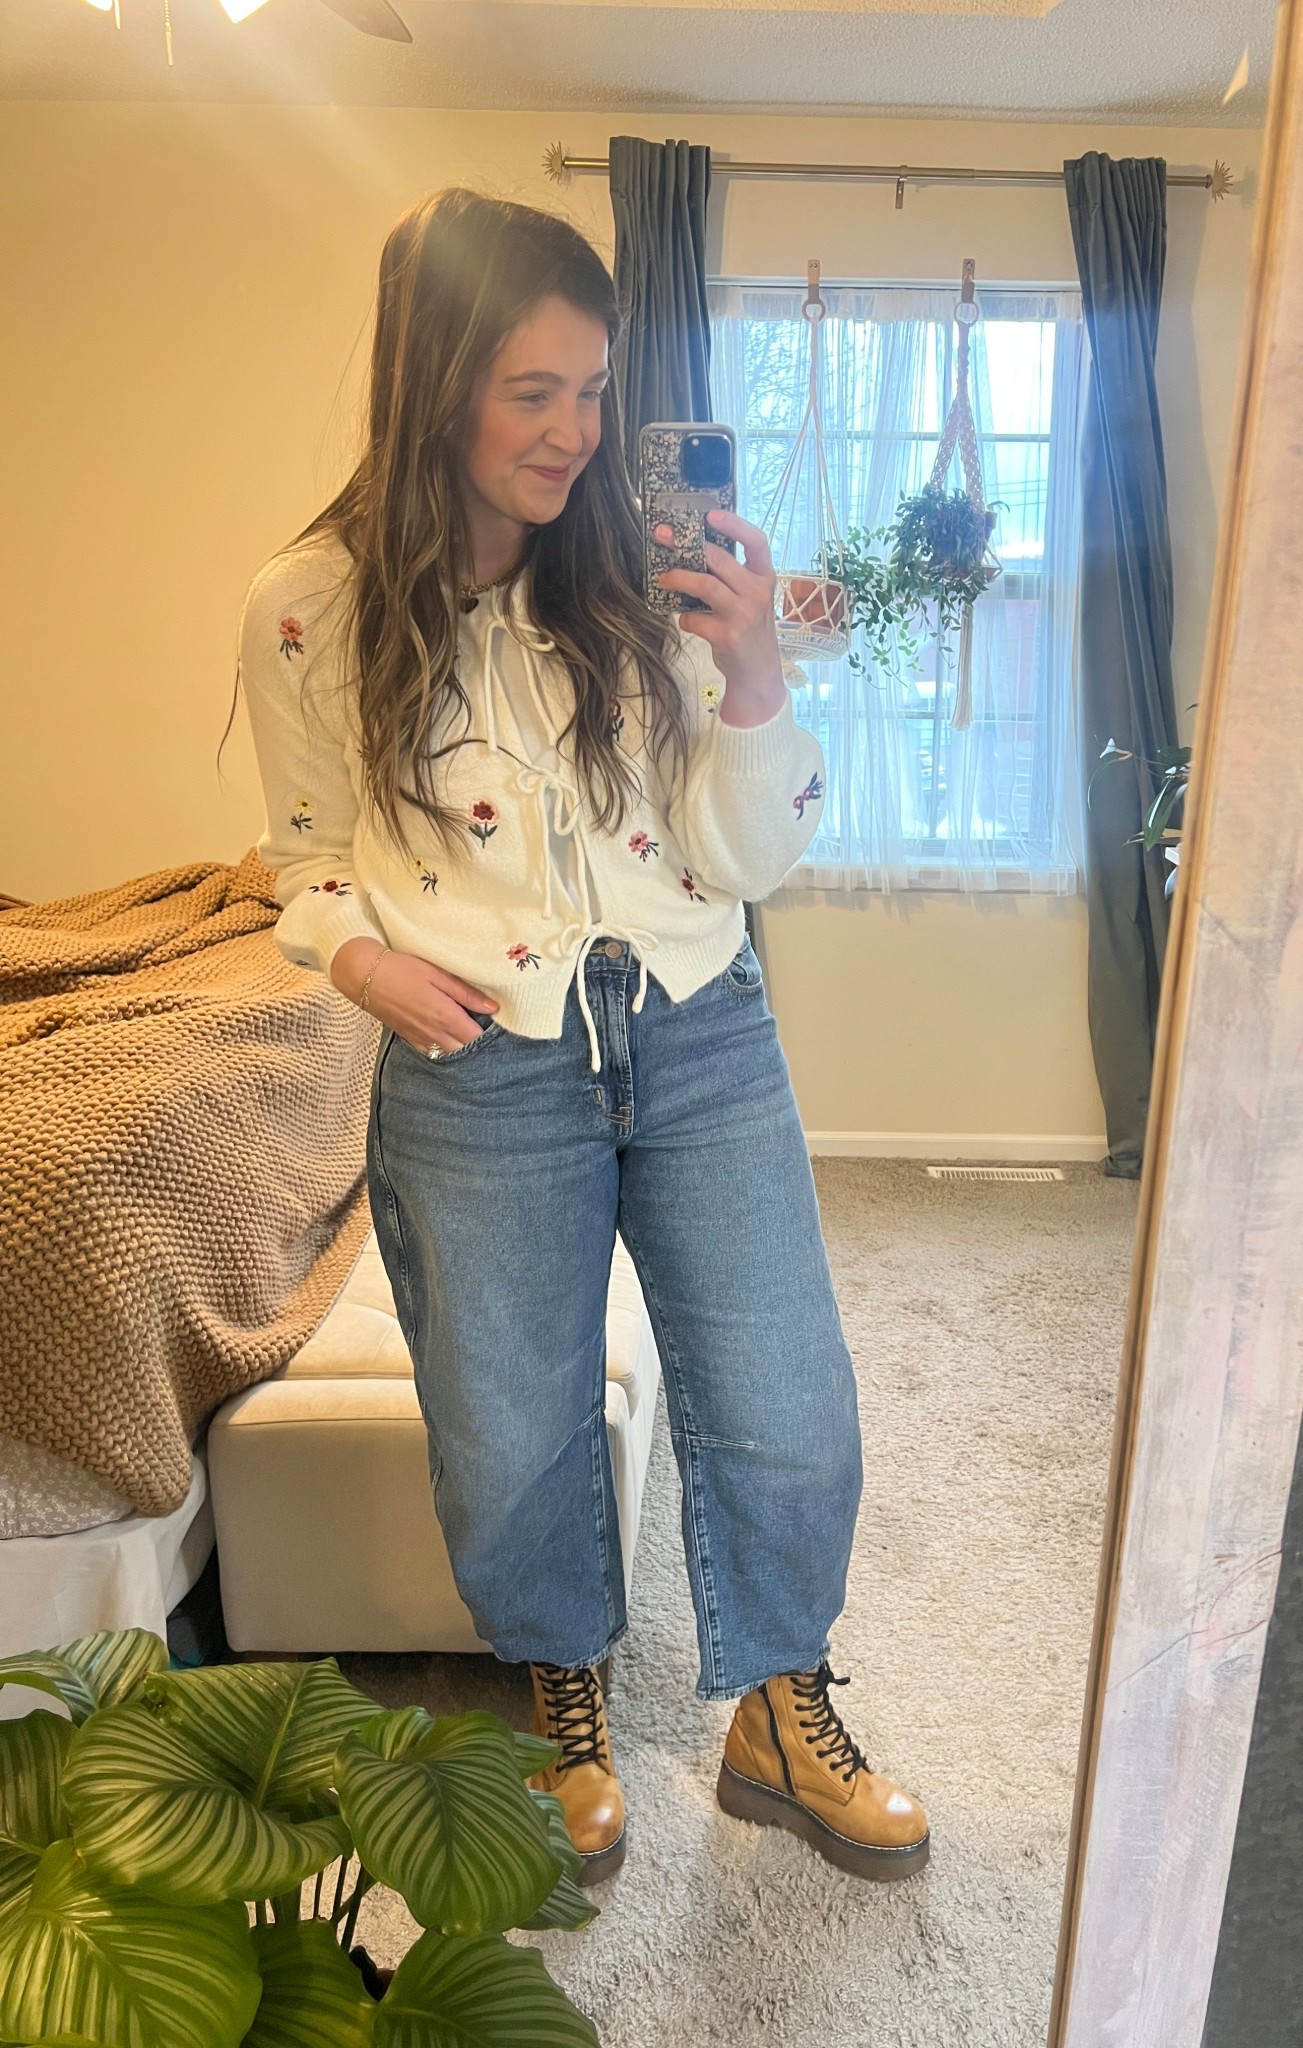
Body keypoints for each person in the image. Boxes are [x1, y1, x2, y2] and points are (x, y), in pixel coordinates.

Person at [234, 186, 929, 1886]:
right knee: (507, 1429)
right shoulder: (310, 605)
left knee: (787, 1396)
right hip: (480, 1064)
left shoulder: (641, 569)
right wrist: (362, 965)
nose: (575, 432)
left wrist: (755, 677)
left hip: (698, 1022)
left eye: (595, 390)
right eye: (531, 391)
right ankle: (568, 1705)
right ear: (434, 386)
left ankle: (779, 1711)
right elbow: (303, 860)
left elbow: (747, 859)